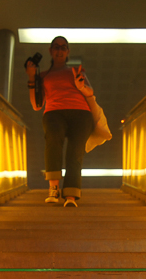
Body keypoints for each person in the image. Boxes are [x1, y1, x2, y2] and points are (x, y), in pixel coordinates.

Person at [25, 36, 95, 207]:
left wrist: (80, 86)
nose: (60, 50)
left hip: (81, 113)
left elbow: (90, 92)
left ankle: (71, 195)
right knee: (53, 142)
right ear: (50, 51)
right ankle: (54, 189)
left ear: (68, 52)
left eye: (63, 47)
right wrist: (32, 77)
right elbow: (36, 105)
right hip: (54, 112)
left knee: (75, 152)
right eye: (56, 47)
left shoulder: (76, 71)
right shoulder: (43, 75)